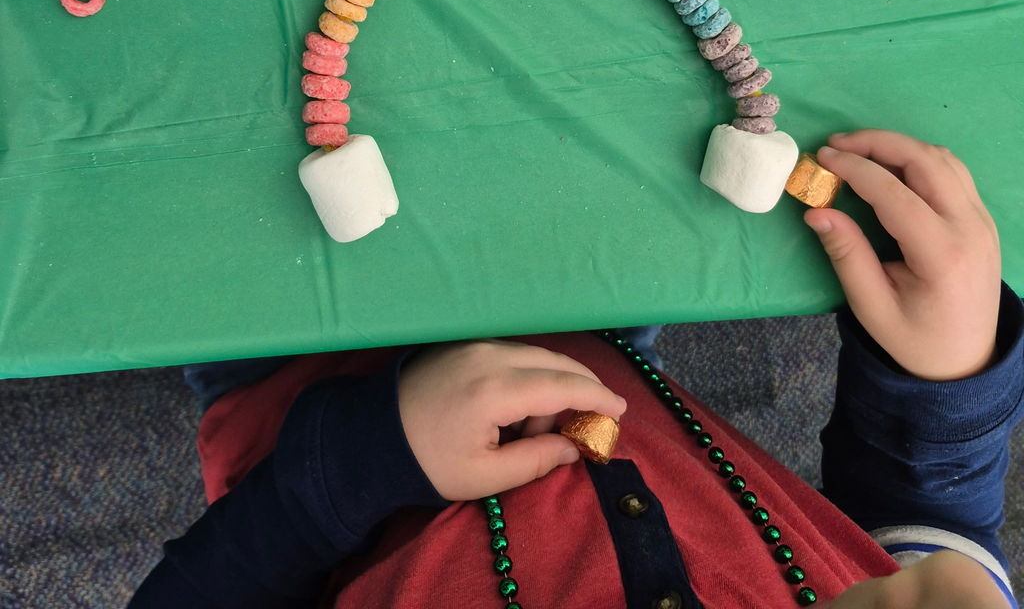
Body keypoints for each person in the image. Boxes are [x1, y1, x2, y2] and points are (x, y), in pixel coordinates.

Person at [128, 130, 1023, 609]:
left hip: (292, 362)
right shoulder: (940, 601)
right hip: (585, 323)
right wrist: (943, 385)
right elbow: (930, 544)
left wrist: (373, 456)